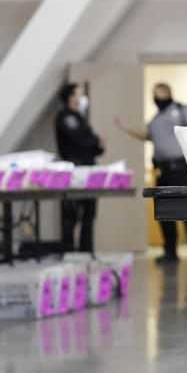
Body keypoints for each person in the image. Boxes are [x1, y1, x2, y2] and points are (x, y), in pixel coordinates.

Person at [116, 83, 187, 265]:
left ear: (167, 93)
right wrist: (128, 128)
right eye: (153, 95)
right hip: (161, 170)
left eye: (157, 94)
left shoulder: (182, 111)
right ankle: (170, 252)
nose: (155, 98)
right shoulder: (155, 119)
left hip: (180, 169)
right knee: (166, 213)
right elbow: (146, 136)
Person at [55, 82, 104, 253]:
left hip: (89, 167)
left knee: (89, 214)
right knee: (71, 214)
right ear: (70, 97)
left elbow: (95, 147)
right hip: (75, 169)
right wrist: (95, 140)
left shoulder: (80, 118)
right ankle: (68, 251)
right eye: (79, 94)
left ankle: (86, 251)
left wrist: (97, 143)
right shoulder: (65, 117)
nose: (83, 98)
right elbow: (81, 142)